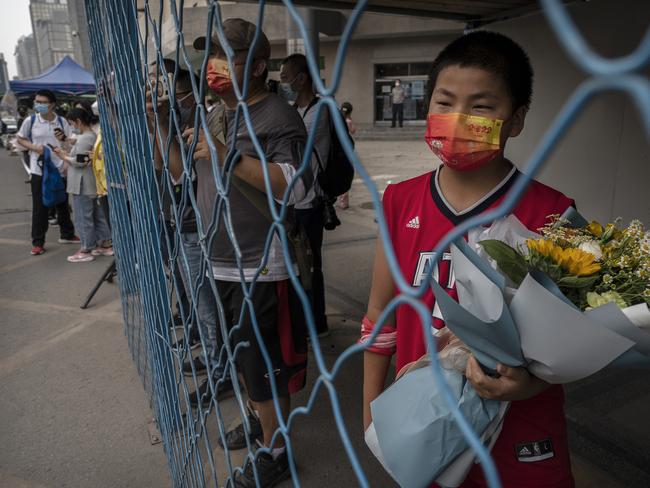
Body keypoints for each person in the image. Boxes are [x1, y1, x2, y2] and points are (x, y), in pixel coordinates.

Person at [362, 31, 575, 488]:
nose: (457, 120)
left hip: (523, 437)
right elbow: (380, 318)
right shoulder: (398, 201)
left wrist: (529, 386)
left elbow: (573, 345)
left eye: (481, 107)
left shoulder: (555, 215)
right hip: (424, 425)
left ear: (515, 120)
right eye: (444, 102)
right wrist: (371, 420)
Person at [183, 18, 312, 487]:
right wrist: (161, 122)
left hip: (262, 263)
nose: (213, 66)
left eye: (227, 57)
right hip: (222, 260)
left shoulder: (277, 116)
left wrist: (228, 156)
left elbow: (300, 189)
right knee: (244, 360)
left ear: (258, 66)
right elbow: (184, 172)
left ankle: (276, 451)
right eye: (209, 55)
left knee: (266, 366)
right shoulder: (217, 114)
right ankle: (262, 424)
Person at [280, 53, 331, 338]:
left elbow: (295, 142)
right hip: (293, 199)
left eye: (286, 76)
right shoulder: (296, 109)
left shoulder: (317, 111)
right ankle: (306, 318)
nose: (282, 82)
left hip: (309, 200)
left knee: (310, 264)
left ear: (301, 79)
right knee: (298, 265)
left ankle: (317, 320)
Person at [16, 90, 79, 255]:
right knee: (40, 207)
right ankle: (38, 242)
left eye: (43, 102)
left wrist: (66, 158)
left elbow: (70, 142)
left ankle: (67, 234)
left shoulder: (61, 121)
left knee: (62, 203)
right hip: (39, 170)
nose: (39, 105)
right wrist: (34, 147)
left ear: (52, 104)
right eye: (37, 101)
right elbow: (20, 138)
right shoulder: (31, 121)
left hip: (60, 168)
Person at [54, 108, 112, 262]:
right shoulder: (91, 135)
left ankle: (86, 248)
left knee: (83, 217)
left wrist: (63, 156)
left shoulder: (86, 137)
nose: (72, 126)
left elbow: (80, 161)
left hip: (82, 183)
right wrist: (66, 144)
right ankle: (104, 243)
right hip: (91, 183)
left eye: (72, 123)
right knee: (97, 215)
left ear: (78, 122)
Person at [337, 101, 355, 210]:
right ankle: (344, 202)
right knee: (346, 174)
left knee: (339, 174)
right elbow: (353, 131)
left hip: (339, 150)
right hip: (347, 149)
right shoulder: (348, 121)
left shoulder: (338, 120)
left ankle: (339, 200)